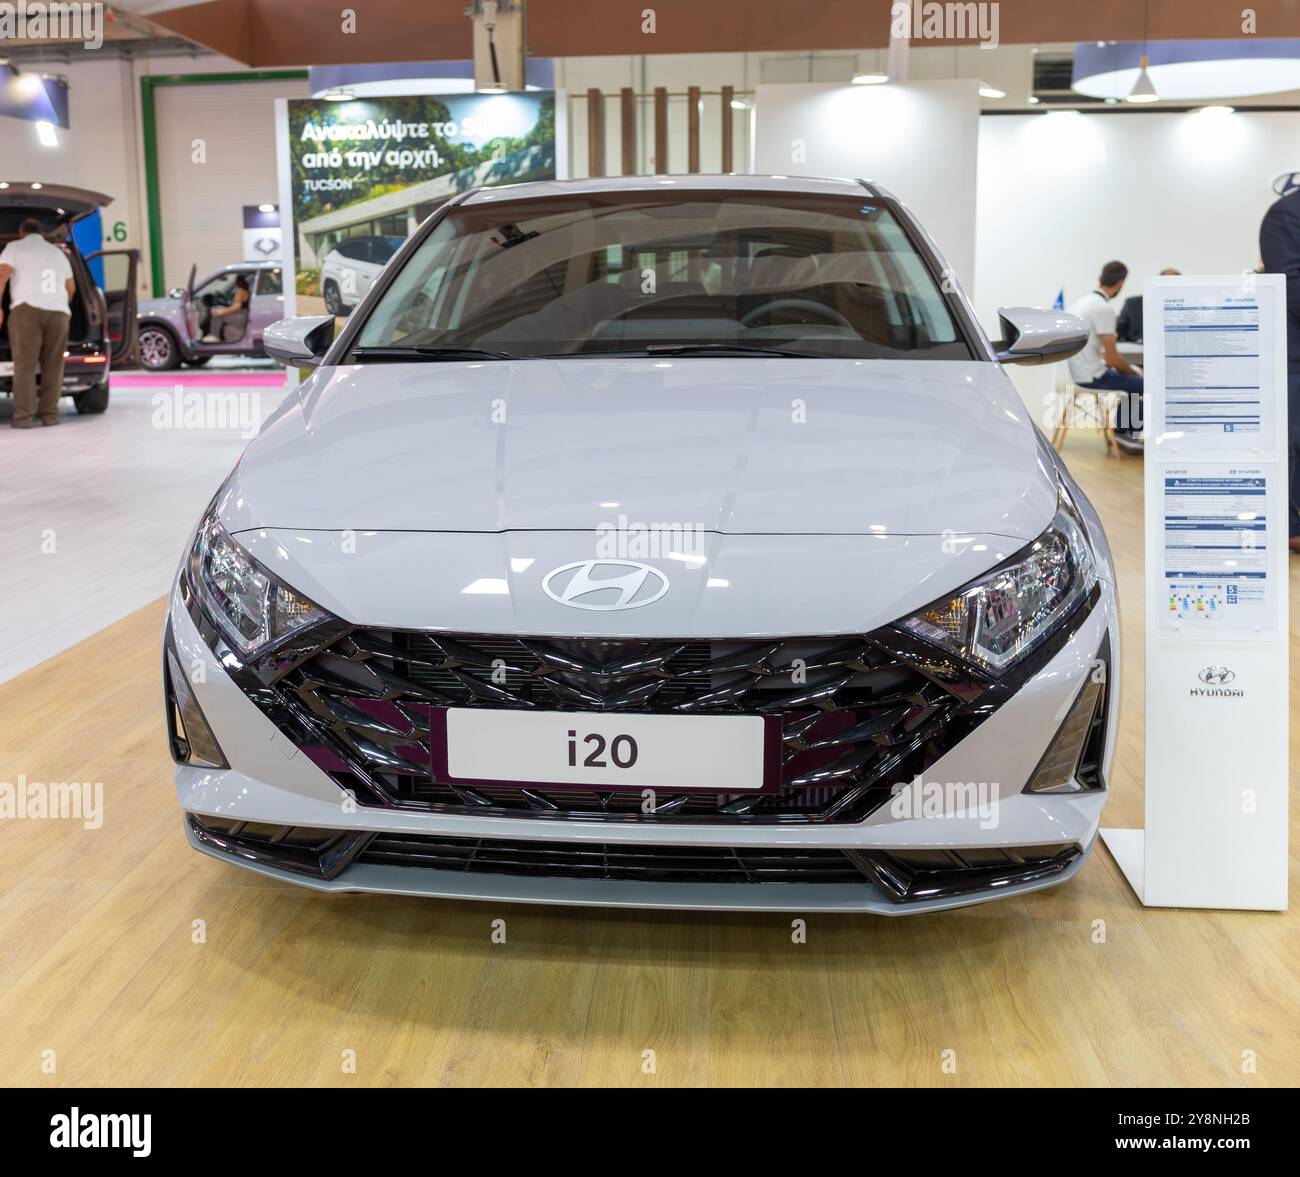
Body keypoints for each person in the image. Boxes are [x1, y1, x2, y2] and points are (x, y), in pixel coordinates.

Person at [0, 217, 75, 428]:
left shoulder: (14, 247)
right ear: (41, 234)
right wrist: (59, 304)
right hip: (58, 312)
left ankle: (23, 418)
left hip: (27, 310)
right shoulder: (58, 253)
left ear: (21, 233)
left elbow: (2, 275)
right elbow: (71, 288)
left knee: (25, 365)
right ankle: (50, 415)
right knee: (54, 364)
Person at [1259, 190, 1300, 552]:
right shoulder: (1286, 215)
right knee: (1292, 443)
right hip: (1294, 358)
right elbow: (1290, 283)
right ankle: (1290, 527)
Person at [1068, 261, 1143, 438]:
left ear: (1100, 278)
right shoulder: (1103, 308)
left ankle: (1122, 433)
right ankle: (1126, 436)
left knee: (1131, 382)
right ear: (1121, 284)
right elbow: (1112, 360)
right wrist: (1133, 372)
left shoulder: (1082, 302)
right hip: (1093, 377)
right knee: (1144, 384)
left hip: (1077, 373)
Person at [1116, 267, 1180, 343]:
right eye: (1166, 284)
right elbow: (1119, 333)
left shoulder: (1184, 307)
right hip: (1136, 351)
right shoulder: (1133, 304)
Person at [202, 273, 251, 342]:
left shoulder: (240, 291)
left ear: (238, 282)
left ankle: (214, 336)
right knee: (219, 310)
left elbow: (237, 306)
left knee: (216, 314)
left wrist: (222, 312)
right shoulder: (247, 291)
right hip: (244, 315)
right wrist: (223, 310)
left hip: (240, 316)